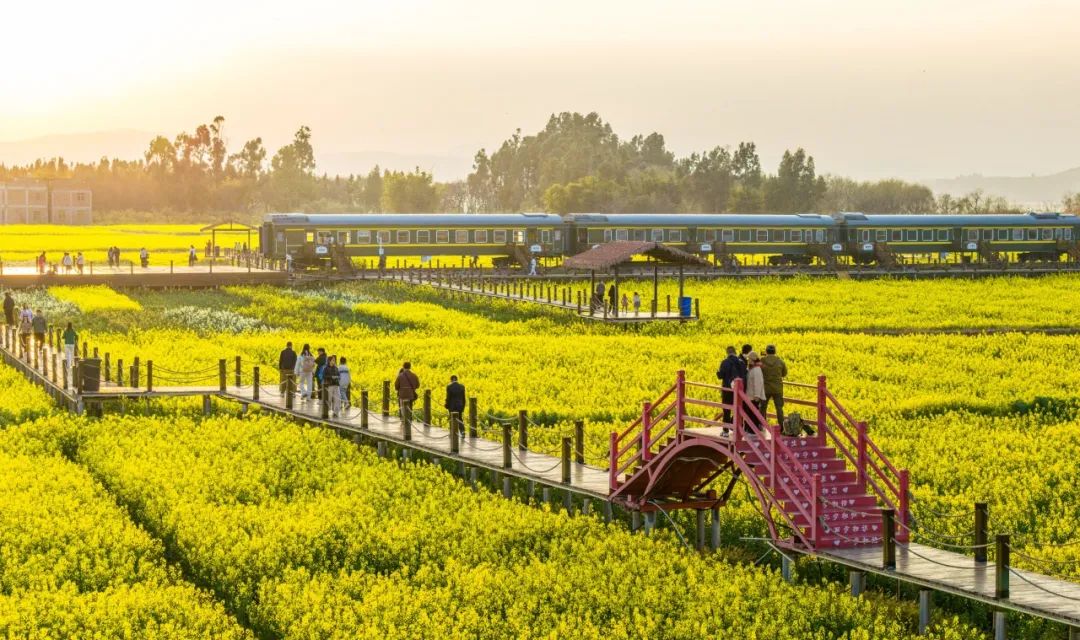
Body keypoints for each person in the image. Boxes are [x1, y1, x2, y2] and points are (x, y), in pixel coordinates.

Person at [761, 344, 788, 428]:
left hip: (765, 388)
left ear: (766, 351)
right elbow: (784, 373)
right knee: (779, 408)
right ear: (775, 352)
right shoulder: (780, 361)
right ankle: (782, 426)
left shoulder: (762, 360)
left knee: (762, 407)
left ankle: (762, 425)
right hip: (777, 388)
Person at [717, 346, 746, 424]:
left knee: (726, 410)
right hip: (739, 391)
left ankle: (726, 430)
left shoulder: (724, 362)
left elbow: (720, 376)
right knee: (739, 409)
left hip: (727, 389)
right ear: (735, 352)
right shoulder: (742, 362)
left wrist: (717, 372)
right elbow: (744, 376)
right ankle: (738, 427)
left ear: (727, 353)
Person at [394, 362, 420, 430]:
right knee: (410, 408)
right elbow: (418, 385)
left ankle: (404, 421)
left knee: (402, 408)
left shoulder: (400, 376)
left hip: (402, 395)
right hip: (411, 395)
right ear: (410, 367)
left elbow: (396, 386)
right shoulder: (414, 375)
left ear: (403, 367)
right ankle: (409, 421)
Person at [745, 351, 766, 431]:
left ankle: (753, 430)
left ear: (752, 359)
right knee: (750, 413)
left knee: (753, 414)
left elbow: (758, 383)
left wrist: (757, 395)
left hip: (753, 396)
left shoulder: (756, 369)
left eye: (749, 359)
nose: (748, 360)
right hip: (750, 396)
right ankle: (751, 429)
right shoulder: (752, 368)